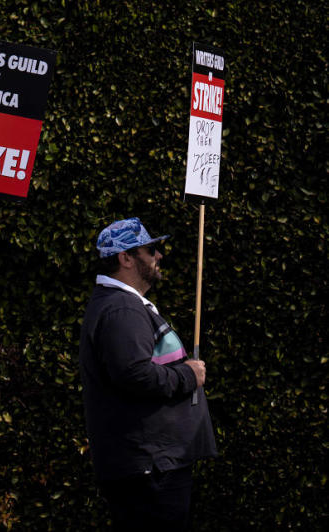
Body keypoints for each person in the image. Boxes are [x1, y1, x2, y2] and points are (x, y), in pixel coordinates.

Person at [79, 217, 216, 531]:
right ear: (126, 258)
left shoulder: (121, 305)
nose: (159, 256)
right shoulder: (121, 309)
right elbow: (134, 374)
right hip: (148, 468)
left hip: (151, 465)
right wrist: (187, 375)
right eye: (151, 249)